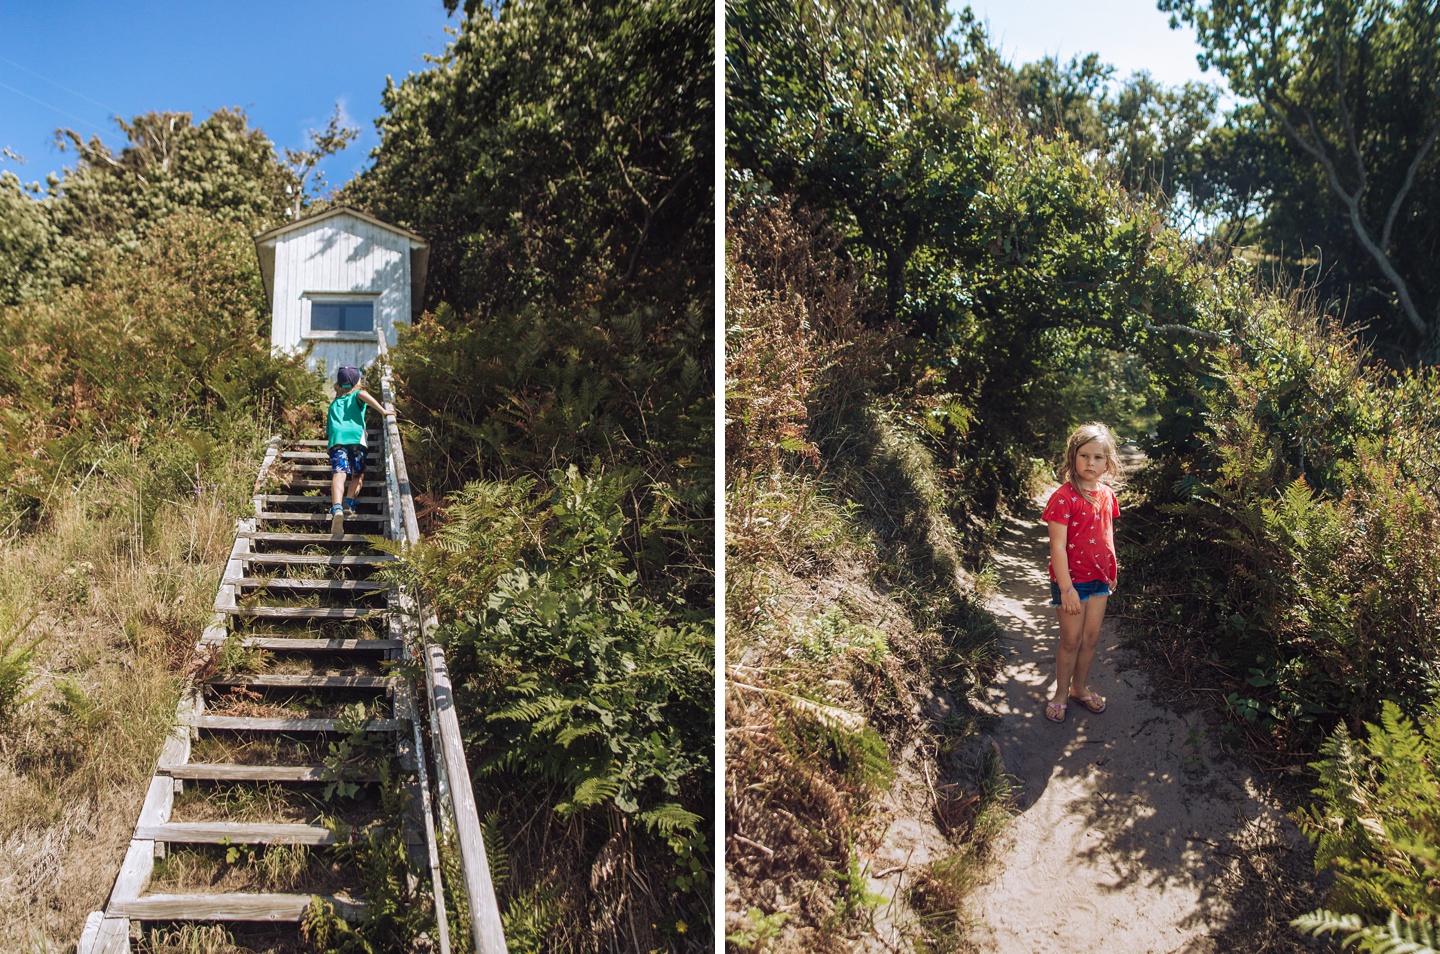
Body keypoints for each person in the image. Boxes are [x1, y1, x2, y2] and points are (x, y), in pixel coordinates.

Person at [1042, 422, 1121, 724]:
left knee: (1091, 638)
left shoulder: (1107, 495)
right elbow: (1058, 548)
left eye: (1098, 457)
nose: (1091, 463)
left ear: (1108, 462)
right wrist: (1066, 588)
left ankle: (1079, 687)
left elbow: (1106, 534)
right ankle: (1061, 693)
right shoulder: (1064, 497)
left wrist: (1113, 567)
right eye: (1084, 455)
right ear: (1073, 457)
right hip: (1072, 583)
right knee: (1071, 640)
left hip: (1100, 580)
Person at [326, 365, 395, 534]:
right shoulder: (357, 395)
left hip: (337, 440)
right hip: (356, 439)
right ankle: (349, 501)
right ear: (357, 381)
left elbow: (328, 430)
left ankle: (337, 508)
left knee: (339, 473)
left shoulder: (334, 404)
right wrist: (383, 411)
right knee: (357, 474)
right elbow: (363, 395)